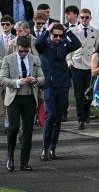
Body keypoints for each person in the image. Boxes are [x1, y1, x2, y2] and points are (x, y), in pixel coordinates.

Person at [35, 22, 82, 161]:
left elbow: (77, 44)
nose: (57, 38)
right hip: (49, 84)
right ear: (50, 34)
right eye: (55, 35)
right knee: (51, 114)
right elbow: (38, 43)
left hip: (63, 84)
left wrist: (66, 32)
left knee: (58, 118)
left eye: (60, 36)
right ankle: (44, 148)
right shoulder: (44, 46)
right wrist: (47, 30)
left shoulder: (64, 45)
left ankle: (52, 148)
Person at [0, 37, 45, 171]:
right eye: (21, 51)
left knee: (27, 131)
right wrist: (17, 82)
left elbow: (43, 78)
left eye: (26, 51)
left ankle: (24, 162)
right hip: (14, 98)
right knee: (13, 129)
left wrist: (35, 80)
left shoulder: (35, 59)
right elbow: (2, 79)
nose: (24, 53)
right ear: (16, 47)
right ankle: (10, 158)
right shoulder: (8, 59)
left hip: (30, 98)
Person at [70, 9, 99, 129]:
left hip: (89, 66)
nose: (84, 19)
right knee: (78, 93)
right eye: (82, 17)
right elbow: (69, 48)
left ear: (90, 18)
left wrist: (97, 63)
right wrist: (69, 62)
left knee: (89, 92)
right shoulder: (72, 31)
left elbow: (97, 48)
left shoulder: (95, 31)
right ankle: (80, 118)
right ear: (79, 18)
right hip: (77, 64)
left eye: (86, 17)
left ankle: (86, 111)